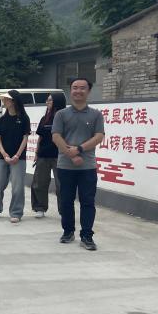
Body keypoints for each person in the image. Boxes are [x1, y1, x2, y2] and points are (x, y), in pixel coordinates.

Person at [52, 78, 105, 250]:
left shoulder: (96, 115)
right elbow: (56, 136)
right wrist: (70, 154)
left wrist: (79, 149)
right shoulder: (61, 114)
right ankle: (68, 231)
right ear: (70, 90)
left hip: (87, 166)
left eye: (82, 88)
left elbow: (99, 136)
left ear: (88, 91)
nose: (78, 91)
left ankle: (87, 236)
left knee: (87, 201)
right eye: (75, 88)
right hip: (65, 166)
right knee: (66, 201)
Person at [0, 90, 30, 223]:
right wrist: (4, 154)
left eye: (6, 99)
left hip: (19, 158)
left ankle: (16, 212)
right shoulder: (2, 119)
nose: (4, 101)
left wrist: (17, 155)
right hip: (3, 158)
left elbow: (25, 138)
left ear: (13, 101)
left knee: (17, 187)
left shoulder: (24, 118)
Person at [31, 92, 67, 218]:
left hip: (60, 156)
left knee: (61, 185)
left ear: (57, 102)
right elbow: (40, 137)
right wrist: (36, 153)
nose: (47, 102)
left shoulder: (65, 118)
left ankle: (64, 210)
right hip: (43, 155)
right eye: (47, 100)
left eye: (50, 100)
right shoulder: (44, 118)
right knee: (39, 183)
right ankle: (40, 207)